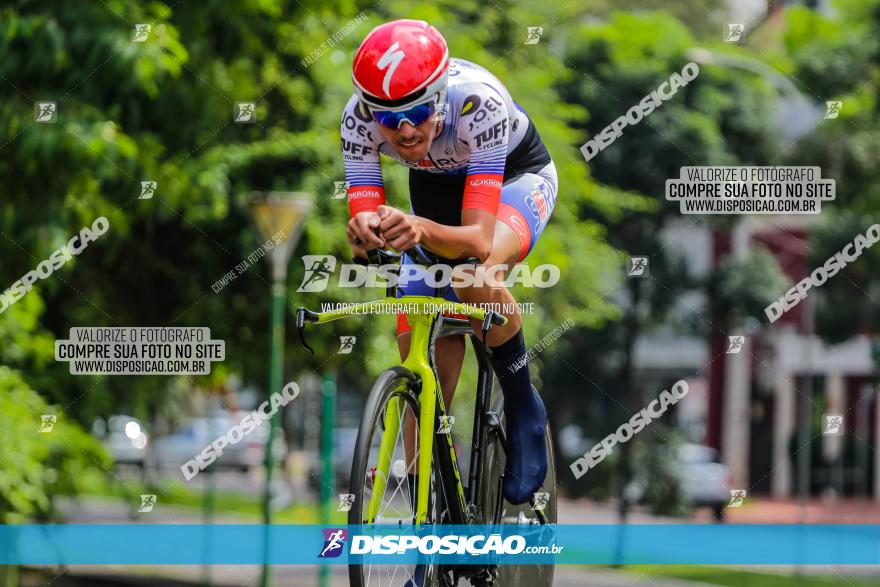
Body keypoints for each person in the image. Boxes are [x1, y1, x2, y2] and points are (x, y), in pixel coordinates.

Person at [341, 19, 558, 506]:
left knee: (469, 274)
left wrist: (417, 230)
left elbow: (479, 240)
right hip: (435, 196)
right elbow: (366, 234)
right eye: (387, 118)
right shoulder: (356, 119)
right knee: (419, 343)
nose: (404, 130)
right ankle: (431, 515)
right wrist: (363, 234)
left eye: (417, 112)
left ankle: (524, 406)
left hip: (514, 181)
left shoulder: (478, 102)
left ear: (438, 95)